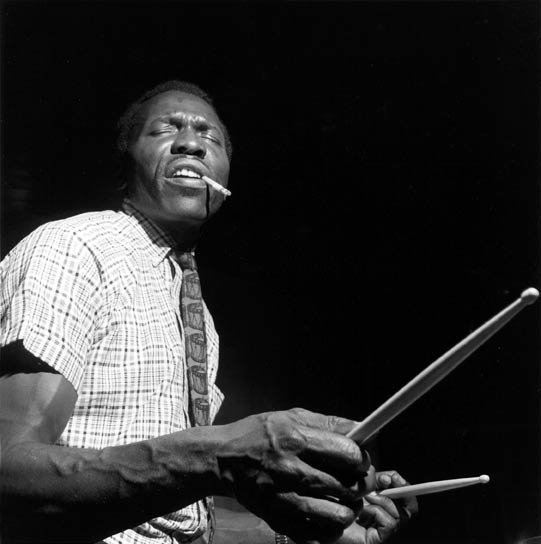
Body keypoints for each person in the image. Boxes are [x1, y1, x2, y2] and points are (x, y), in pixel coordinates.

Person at [0, 80, 417, 544]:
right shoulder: (75, 248)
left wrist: (317, 527)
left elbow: (179, 521)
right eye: (165, 130)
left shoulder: (196, 315)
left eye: (209, 136)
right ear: (126, 164)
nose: (191, 143)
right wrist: (219, 455)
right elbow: (6, 474)